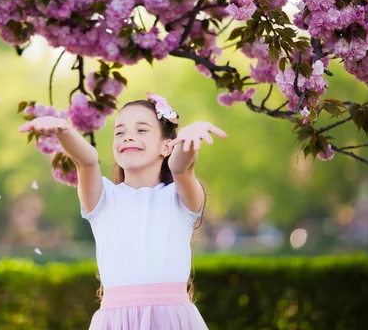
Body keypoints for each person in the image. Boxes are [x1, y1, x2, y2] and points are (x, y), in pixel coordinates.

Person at [19, 92, 227, 330]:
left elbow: (180, 167)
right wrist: (63, 131)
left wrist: (189, 140)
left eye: (141, 130)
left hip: (174, 321)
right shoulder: (103, 198)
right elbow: (87, 161)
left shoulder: (179, 198)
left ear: (166, 145)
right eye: (120, 132)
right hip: (116, 323)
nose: (128, 137)